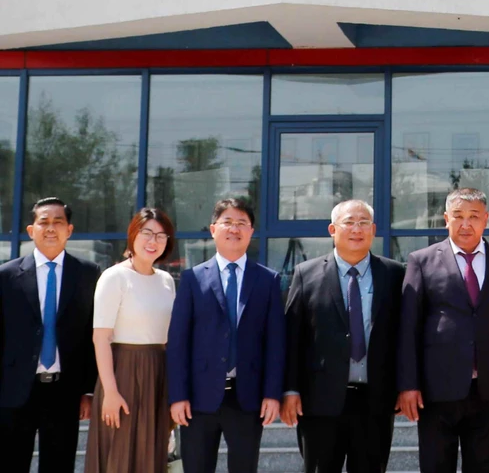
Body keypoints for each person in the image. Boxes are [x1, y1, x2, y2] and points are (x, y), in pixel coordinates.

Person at [399, 188, 489, 473]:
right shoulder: (422, 261)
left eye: (473, 216)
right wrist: (408, 384)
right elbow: (408, 327)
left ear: (486, 219)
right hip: (437, 389)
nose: (465, 224)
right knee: (436, 465)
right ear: (446, 219)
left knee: (485, 465)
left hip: (486, 388)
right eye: (458, 216)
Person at [281, 200, 405, 473]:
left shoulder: (395, 274)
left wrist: (405, 385)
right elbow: (292, 338)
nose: (356, 229)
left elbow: (403, 337)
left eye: (363, 223)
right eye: (349, 222)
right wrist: (290, 389)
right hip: (320, 402)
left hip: (376, 401)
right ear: (332, 229)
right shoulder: (306, 274)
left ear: (373, 230)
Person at [167, 198, 285, 473]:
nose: (235, 229)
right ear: (213, 229)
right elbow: (178, 343)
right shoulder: (193, 279)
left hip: (247, 398)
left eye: (242, 223)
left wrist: (272, 393)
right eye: (227, 222)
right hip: (198, 400)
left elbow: (276, 343)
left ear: (251, 231)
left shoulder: (268, 280)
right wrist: (178, 395)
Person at [0, 198, 100, 473]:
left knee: (59, 465)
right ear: (31, 231)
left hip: (64, 392)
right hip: (15, 390)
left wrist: (88, 390)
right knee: (11, 462)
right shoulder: (6, 276)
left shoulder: (88, 275)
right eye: (44, 222)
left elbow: (93, 336)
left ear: (69, 230)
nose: (51, 228)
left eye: (58, 222)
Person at [86, 208, 178, 473]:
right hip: (123, 373)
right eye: (147, 233)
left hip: (158, 373)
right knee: (119, 453)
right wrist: (110, 392)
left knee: (152, 453)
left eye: (161, 236)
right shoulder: (114, 277)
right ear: (133, 235)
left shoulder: (166, 281)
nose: (153, 241)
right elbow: (100, 337)